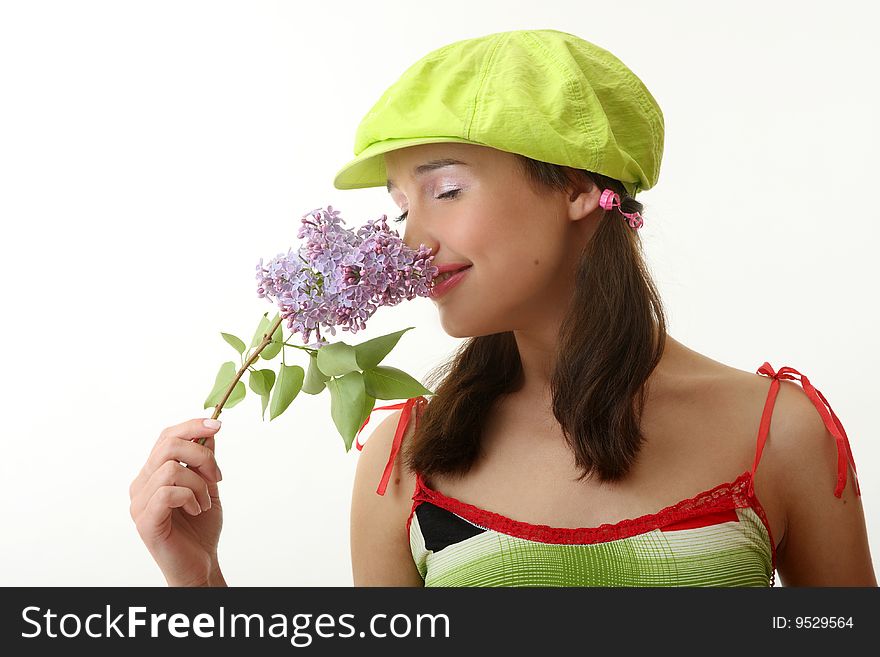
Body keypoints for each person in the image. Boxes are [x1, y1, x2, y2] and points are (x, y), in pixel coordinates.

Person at [129, 29, 876, 587]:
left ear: (580, 187)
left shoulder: (778, 434)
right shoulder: (405, 461)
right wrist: (196, 576)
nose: (412, 240)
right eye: (399, 208)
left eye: (446, 189)